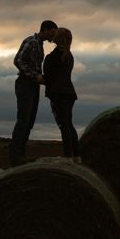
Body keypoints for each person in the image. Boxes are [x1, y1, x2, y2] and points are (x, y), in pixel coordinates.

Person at [9, 19, 58, 166]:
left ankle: (21, 155)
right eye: (53, 33)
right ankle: (15, 156)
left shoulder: (40, 45)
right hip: (25, 83)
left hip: (32, 85)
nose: (54, 37)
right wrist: (35, 76)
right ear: (46, 30)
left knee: (29, 122)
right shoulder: (30, 41)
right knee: (23, 120)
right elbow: (18, 60)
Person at [43, 27, 79, 160]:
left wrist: (35, 77)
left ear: (57, 38)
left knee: (64, 125)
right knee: (69, 124)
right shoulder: (69, 56)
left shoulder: (52, 57)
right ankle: (77, 155)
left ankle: (68, 156)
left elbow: (47, 78)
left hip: (59, 94)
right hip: (69, 93)